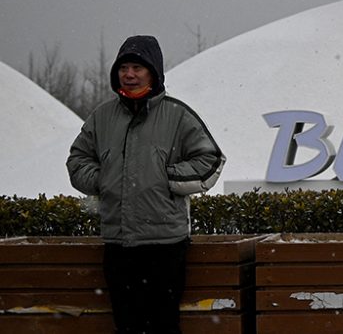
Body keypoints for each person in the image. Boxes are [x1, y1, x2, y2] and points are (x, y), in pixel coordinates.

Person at [67, 35, 225, 334]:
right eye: (124, 67)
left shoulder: (178, 115)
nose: (129, 74)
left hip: (165, 248)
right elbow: (77, 161)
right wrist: (104, 179)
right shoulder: (102, 117)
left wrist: (164, 177)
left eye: (137, 67)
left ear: (154, 72)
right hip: (119, 246)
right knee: (127, 327)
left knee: (163, 326)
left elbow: (211, 161)